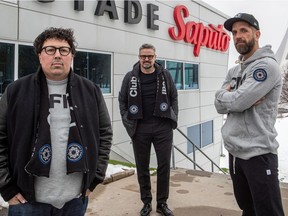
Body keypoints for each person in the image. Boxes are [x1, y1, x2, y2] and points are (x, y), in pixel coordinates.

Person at [0, 27, 113, 216]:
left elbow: (105, 134)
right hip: (27, 201)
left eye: (64, 50)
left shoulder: (91, 90)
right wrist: (6, 186)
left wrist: (95, 178)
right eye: (50, 50)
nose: (57, 55)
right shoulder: (16, 91)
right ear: (39, 55)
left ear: (72, 56)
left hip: (75, 200)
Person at [215, 13, 285, 216]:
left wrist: (234, 98)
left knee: (268, 211)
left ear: (257, 34)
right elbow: (220, 104)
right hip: (235, 153)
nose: (238, 36)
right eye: (234, 32)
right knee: (248, 208)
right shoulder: (234, 71)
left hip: (258, 154)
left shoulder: (266, 67)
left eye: (244, 30)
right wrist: (231, 98)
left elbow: (237, 101)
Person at [118, 44, 178, 216]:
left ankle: (162, 203)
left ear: (155, 57)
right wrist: (126, 119)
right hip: (140, 128)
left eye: (150, 56)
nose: (146, 59)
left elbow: (173, 97)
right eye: (143, 56)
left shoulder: (165, 75)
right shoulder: (130, 77)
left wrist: (173, 118)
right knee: (142, 167)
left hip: (163, 127)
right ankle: (146, 203)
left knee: (164, 166)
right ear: (139, 57)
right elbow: (122, 101)